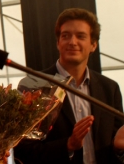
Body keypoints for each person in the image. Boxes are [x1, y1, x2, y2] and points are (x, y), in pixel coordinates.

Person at [14, 8, 124, 164]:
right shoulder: (33, 85)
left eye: (80, 36)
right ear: (58, 43)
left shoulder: (109, 88)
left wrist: (118, 148)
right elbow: (22, 149)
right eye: (65, 36)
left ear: (93, 45)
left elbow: (116, 149)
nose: (72, 42)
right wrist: (68, 145)